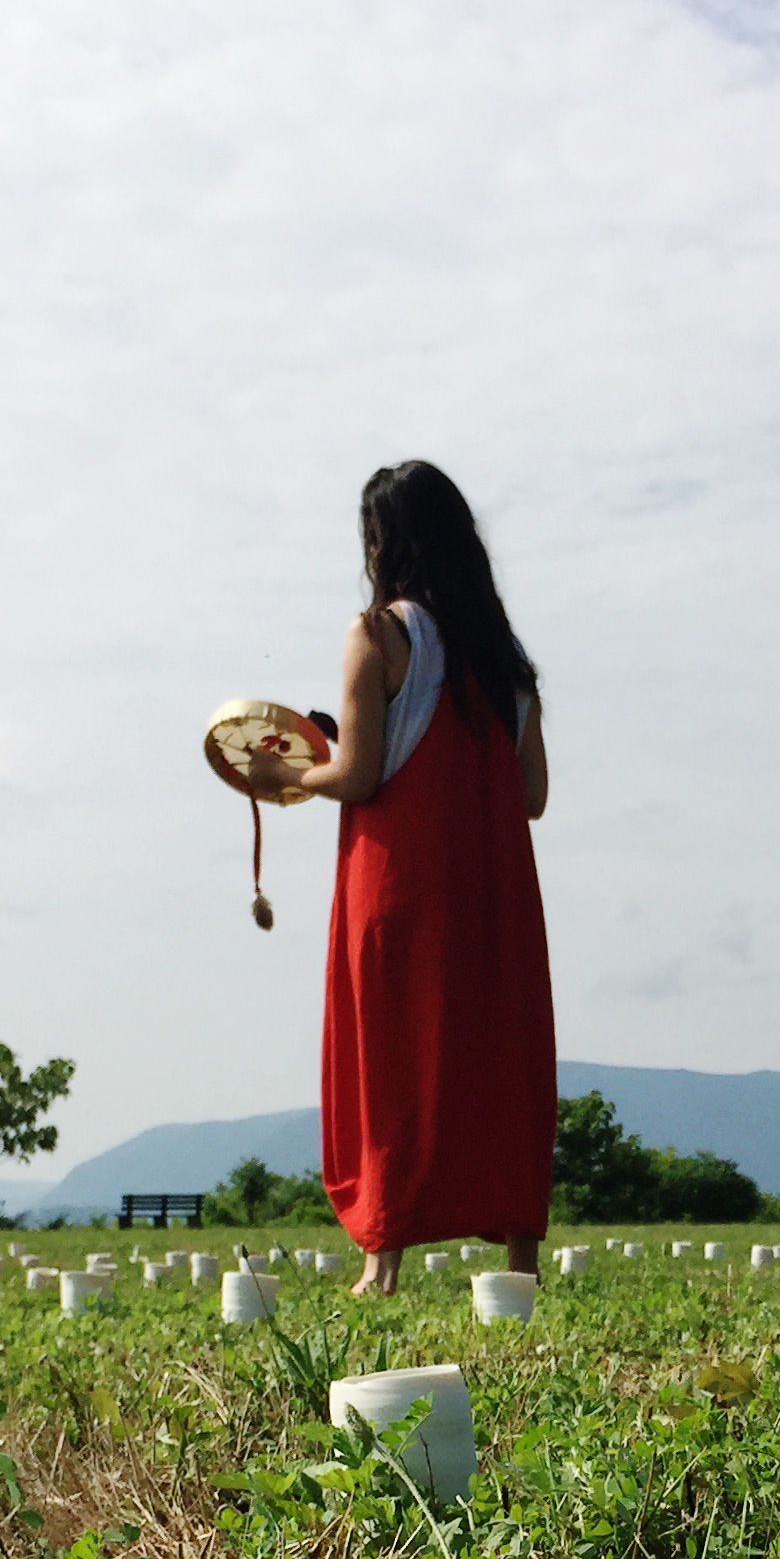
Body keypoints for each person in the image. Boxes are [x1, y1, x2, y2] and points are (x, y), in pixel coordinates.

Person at [243, 461, 553, 1298]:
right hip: (495, 888)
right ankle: (519, 1259)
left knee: (390, 1053)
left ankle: (383, 1260)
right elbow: (532, 796)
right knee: (500, 1054)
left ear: (381, 542)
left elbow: (359, 775)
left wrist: (287, 780)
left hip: (399, 881)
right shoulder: (504, 658)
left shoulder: (377, 633)